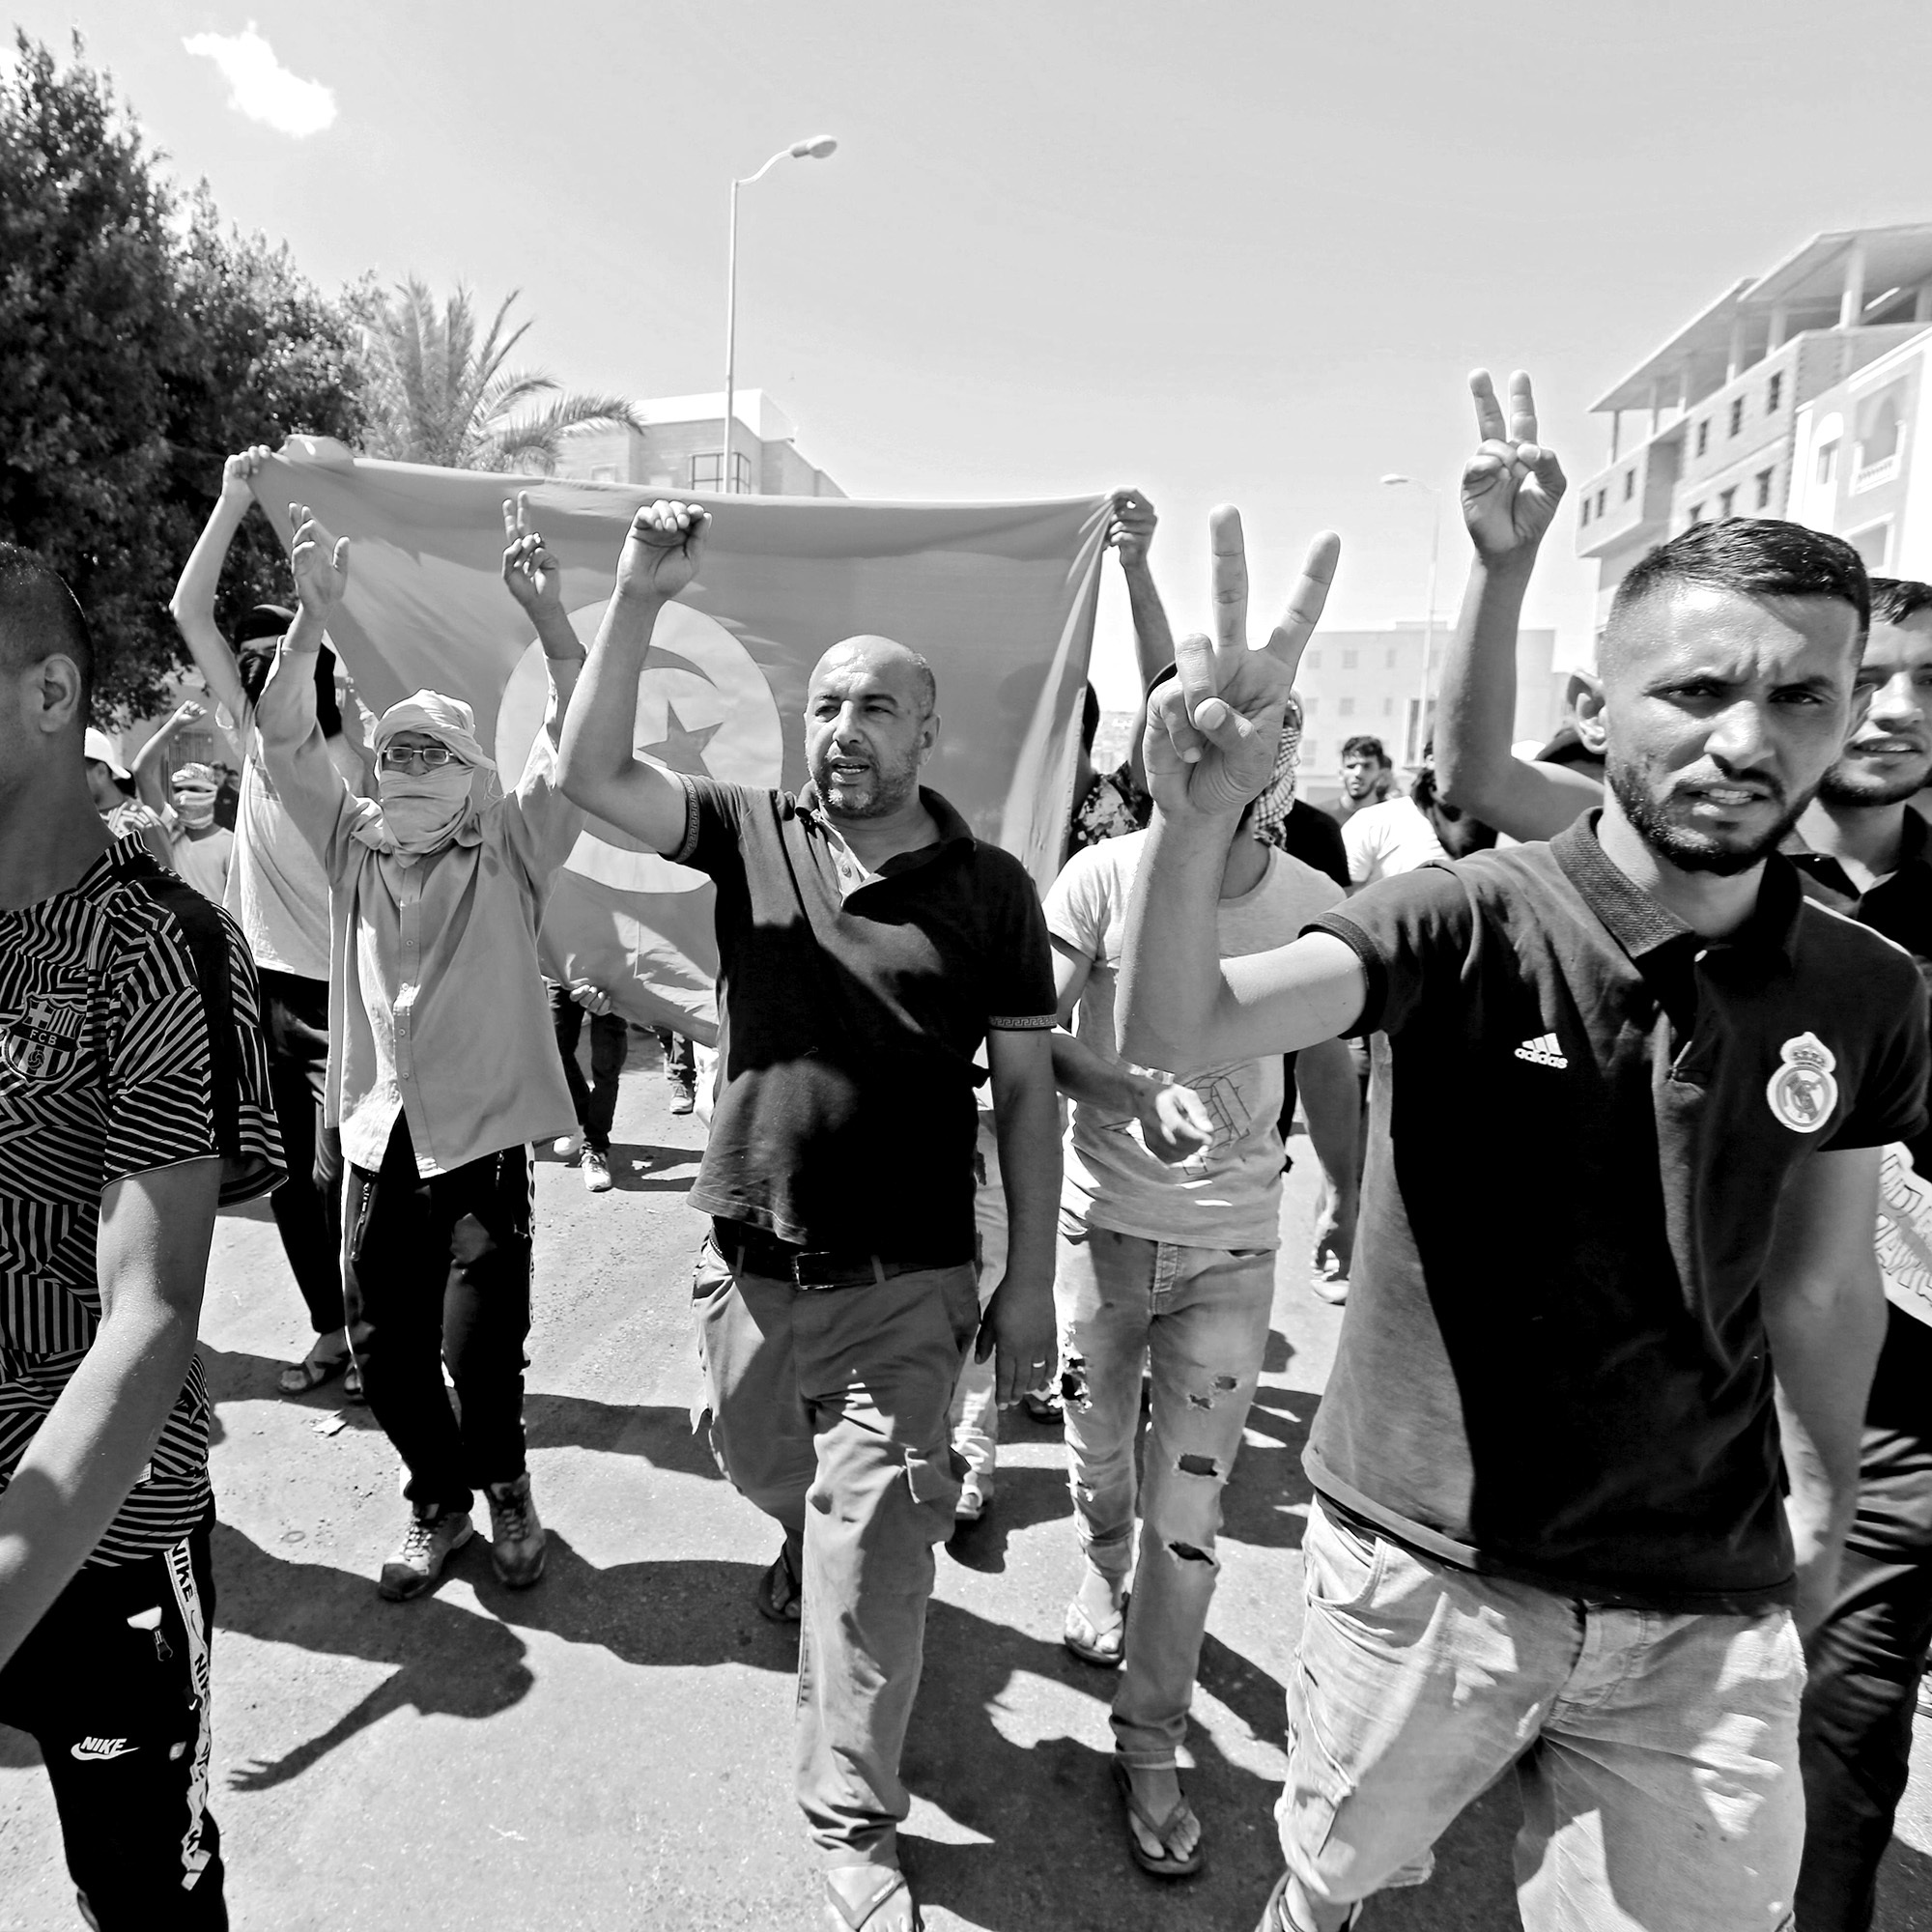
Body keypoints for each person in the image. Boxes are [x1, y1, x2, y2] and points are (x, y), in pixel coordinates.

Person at [1117, 466, 1930, 1932]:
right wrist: (1194, 824)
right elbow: (1181, 1025)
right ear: (1603, 703)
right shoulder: (1469, 915)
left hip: (1706, 1601)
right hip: (1425, 1569)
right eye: (1696, 689)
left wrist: (1823, 1521)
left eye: (1802, 698)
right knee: (1333, 1889)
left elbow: (1822, 1283)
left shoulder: (1869, 991)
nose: (1746, 740)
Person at [557, 499, 1062, 1932]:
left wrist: (1024, 1294)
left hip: (911, 1288)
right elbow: (592, 770)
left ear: (928, 734)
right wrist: (641, 596)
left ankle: (853, 1820)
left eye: (877, 707)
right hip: (749, 1272)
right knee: (757, 1464)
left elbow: (1028, 1097)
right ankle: (807, 1527)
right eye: (826, 703)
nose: (844, 727)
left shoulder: (992, 892)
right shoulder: (746, 834)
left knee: (871, 1558)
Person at [0, 542, 283, 1929]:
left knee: (147, 1900)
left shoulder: (157, 944)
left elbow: (151, 1312)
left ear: (53, 693)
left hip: (104, 1543)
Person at [256, 495, 585, 1603]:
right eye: (390, 748)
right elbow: (285, 737)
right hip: (373, 1138)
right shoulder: (354, 844)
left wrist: (551, 628)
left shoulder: (508, 843)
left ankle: (505, 1479)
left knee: (477, 1348)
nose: (401, 764)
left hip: (482, 1142)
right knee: (383, 1348)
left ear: (468, 766)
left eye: (426, 749)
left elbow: (574, 750)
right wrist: (312, 618)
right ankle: (437, 1494)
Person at [1044, 761, 1345, 1880]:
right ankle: (1094, 1554)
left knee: (1191, 1509)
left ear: (1277, 766)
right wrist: (1123, 1090)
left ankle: (1149, 1735)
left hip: (1233, 1246)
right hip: (1104, 1234)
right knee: (1098, 1452)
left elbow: (1327, 1055)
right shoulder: (1098, 877)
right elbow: (1026, 1026)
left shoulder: (1311, 895)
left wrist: (1348, 1193)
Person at [170, 446, 376, 1400]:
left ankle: (385, 1338)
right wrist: (230, 501)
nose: (250, 663)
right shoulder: (253, 741)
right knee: (293, 1176)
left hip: (362, 993)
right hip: (270, 993)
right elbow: (185, 610)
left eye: (273, 649)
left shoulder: (363, 751)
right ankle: (333, 1329)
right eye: (243, 656)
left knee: (368, 1178)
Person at [129, 702, 236, 902]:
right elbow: (142, 771)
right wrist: (175, 725)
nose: (185, 796)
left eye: (194, 789)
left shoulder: (229, 845)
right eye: (179, 789)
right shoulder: (169, 828)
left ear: (211, 793)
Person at [549, 977, 629, 1192]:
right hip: (563, 973)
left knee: (606, 1066)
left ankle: (595, 1147)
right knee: (553, 1051)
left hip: (611, 974)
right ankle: (581, 1120)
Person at [82, 724, 173, 868]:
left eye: (75, 775)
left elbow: (168, 887)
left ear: (101, 771)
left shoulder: (143, 821)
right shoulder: (73, 820)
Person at [1326, 732, 1395, 826]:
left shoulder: (1394, 819)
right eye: (1351, 766)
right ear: (1340, 773)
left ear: (1380, 774)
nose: (1358, 773)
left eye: (1367, 766)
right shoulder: (1321, 818)